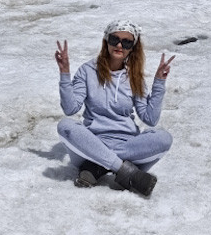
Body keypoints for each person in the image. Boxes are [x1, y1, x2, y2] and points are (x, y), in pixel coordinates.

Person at [55, 20, 175, 198]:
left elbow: (150, 118)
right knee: (65, 126)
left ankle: (97, 167)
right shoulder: (87, 71)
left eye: (126, 42)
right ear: (106, 41)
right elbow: (70, 108)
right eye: (114, 39)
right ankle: (127, 172)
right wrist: (65, 73)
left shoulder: (134, 76)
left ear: (132, 47)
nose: (119, 45)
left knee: (164, 138)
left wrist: (159, 83)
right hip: (93, 142)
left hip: (126, 145)